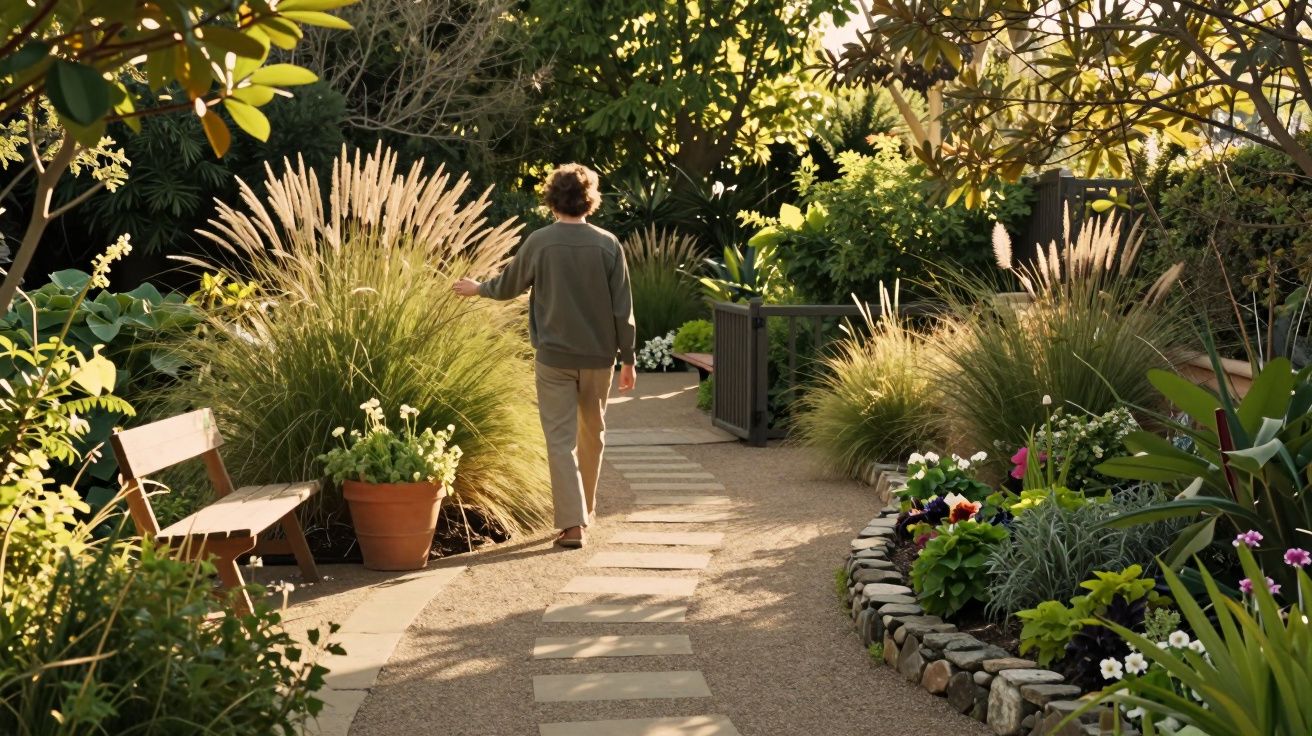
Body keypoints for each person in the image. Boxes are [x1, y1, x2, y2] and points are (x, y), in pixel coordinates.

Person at [453, 163, 636, 549]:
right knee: (594, 435)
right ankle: (583, 511)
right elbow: (623, 309)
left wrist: (477, 289)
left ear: (553, 199)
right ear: (590, 200)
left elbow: (508, 286)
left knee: (559, 439)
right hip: (599, 358)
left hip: (554, 357)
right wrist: (628, 359)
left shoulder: (540, 241)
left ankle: (573, 525)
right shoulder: (608, 244)